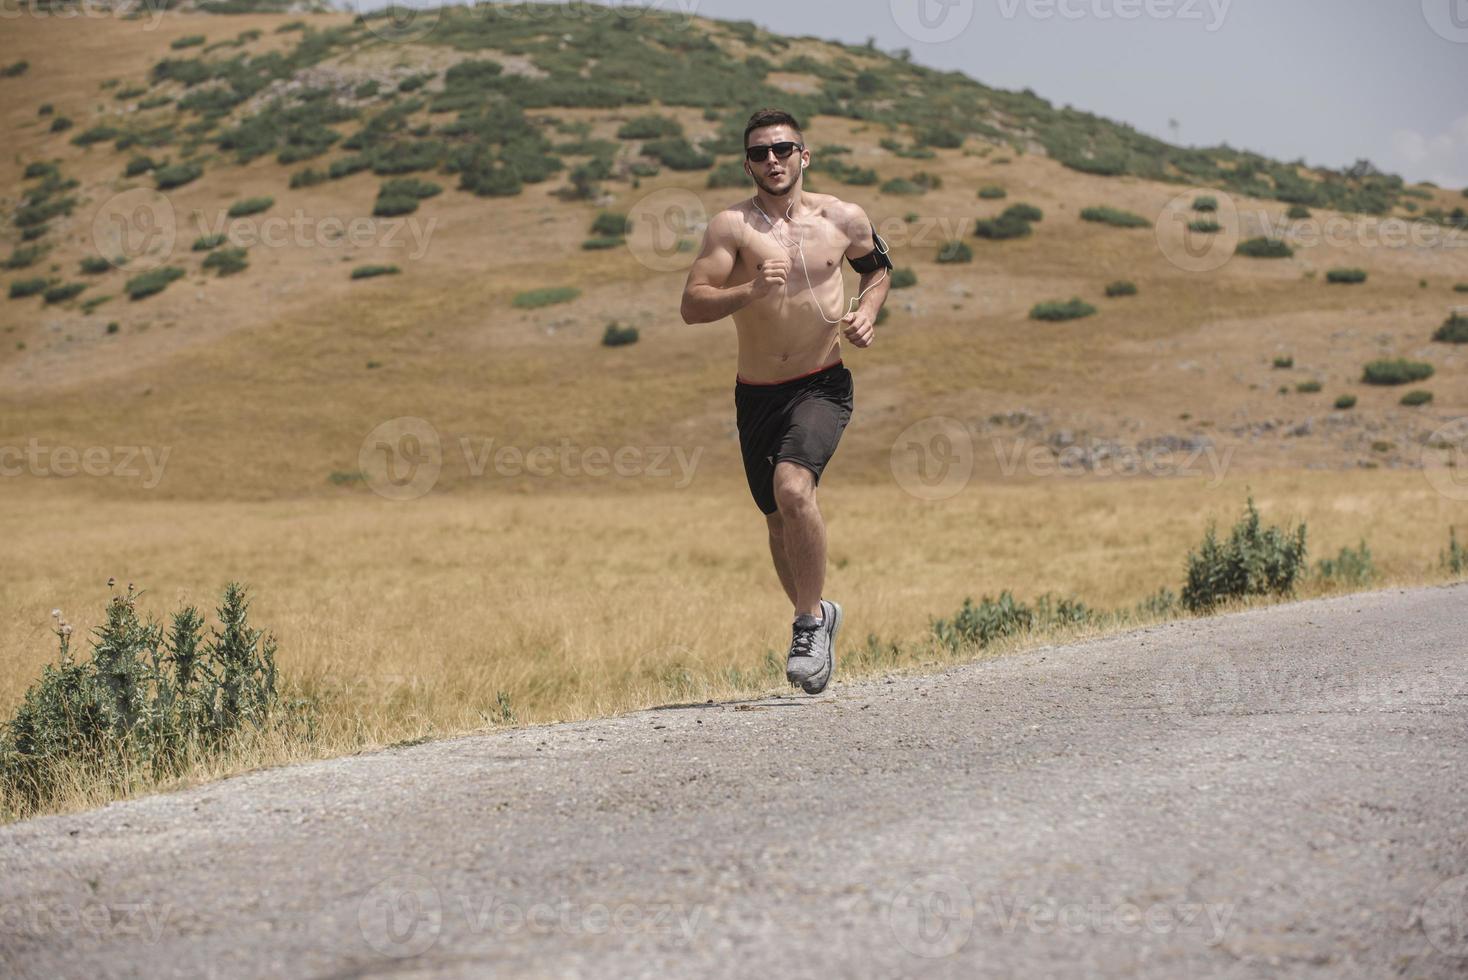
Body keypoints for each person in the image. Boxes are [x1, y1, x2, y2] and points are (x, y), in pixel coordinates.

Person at [679, 107, 892, 695]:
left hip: (821, 381)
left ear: (805, 154)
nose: (771, 160)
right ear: (747, 163)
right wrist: (750, 288)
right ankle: (819, 611)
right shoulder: (731, 228)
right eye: (758, 153)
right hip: (756, 395)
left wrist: (867, 314)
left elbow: (878, 269)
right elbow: (693, 304)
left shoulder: (843, 217)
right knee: (777, 521)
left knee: (794, 489)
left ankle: (805, 627)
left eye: (781, 149)